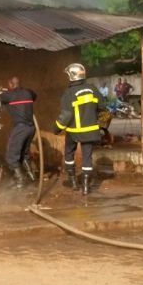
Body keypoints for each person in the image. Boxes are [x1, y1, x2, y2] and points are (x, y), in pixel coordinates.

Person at [54, 63, 103, 195]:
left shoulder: (69, 93)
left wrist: (57, 128)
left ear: (72, 76)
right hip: (91, 131)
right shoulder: (93, 89)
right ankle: (86, 187)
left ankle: (74, 181)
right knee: (87, 157)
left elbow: (66, 115)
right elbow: (102, 106)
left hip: (74, 131)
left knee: (69, 153)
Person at [0, 76, 37, 188]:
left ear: (11, 84)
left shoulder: (8, 95)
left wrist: (0, 92)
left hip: (20, 128)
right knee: (24, 153)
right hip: (31, 128)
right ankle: (31, 176)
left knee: (11, 156)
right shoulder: (29, 92)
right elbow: (33, 96)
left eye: (8, 85)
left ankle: (20, 180)